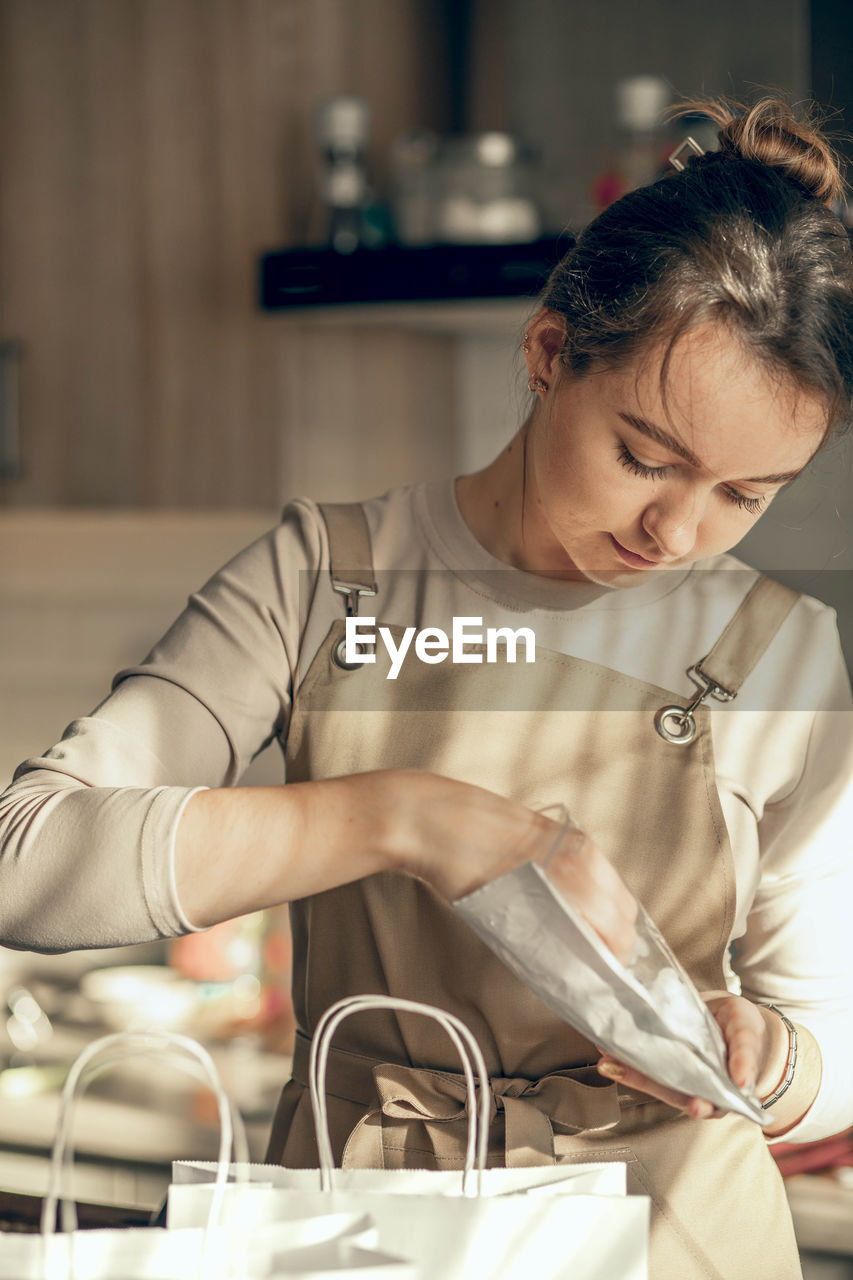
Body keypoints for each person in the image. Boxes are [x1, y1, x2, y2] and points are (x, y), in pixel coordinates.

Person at [2, 96, 853, 1277]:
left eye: (742, 494)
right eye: (644, 457)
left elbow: (828, 1050)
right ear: (549, 353)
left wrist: (774, 1061)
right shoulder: (326, 580)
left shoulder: (787, 650)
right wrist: (410, 818)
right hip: (364, 1222)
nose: (677, 528)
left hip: (678, 1238)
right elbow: (26, 863)